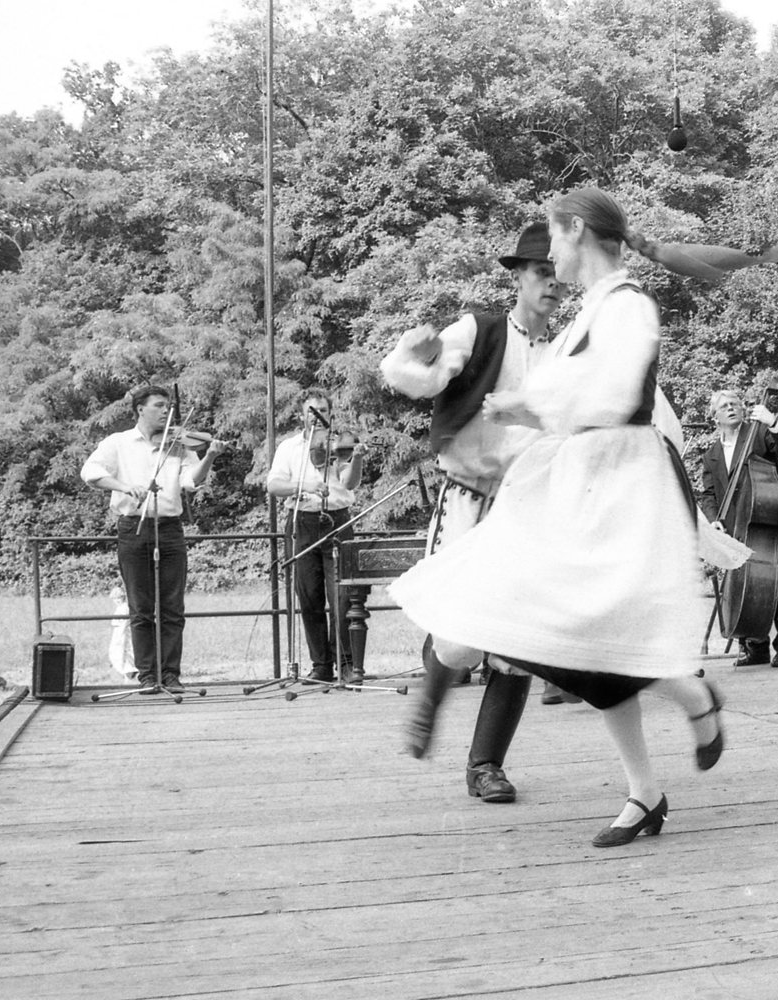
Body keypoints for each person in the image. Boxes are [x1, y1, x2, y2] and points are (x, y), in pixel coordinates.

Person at [391, 187, 737, 847]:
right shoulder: (590, 313)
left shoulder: (626, 305)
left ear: (576, 231)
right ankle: (649, 786)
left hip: (614, 484)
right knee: (572, 634)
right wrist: (521, 405)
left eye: (553, 237)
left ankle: (688, 702)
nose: (551, 256)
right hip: (576, 477)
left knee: (586, 632)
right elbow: (569, 393)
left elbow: (613, 394)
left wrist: (531, 406)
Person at [380, 221, 566, 802]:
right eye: (541, 272)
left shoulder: (567, 350)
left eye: (559, 275)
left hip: (527, 507)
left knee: (517, 645)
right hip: (466, 495)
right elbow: (415, 377)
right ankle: (430, 702)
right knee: (460, 637)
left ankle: (485, 765)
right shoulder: (479, 330)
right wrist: (419, 353)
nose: (552, 284)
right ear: (518, 277)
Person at [80, 385, 223, 693]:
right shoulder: (118, 443)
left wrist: (209, 456)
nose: (165, 411)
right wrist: (124, 486)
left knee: (172, 606)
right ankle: (147, 675)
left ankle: (170, 674)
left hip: (170, 528)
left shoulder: (177, 444)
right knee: (140, 606)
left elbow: (191, 480)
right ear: (140, 409)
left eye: (167, 406)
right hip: (133, 526)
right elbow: (90, 472)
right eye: (159, 405)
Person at [265, 388, 367, 684]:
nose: (317, 417)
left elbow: (349, 483)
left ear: (330, 413)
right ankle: (321, 665)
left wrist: (357, 459)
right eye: (312, 411)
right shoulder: (289, 447)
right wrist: (305, 486)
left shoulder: (340, 443)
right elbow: (273, 485)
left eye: (322, 410)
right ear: (302, 415)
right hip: (302, 522)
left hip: (338, 521)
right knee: (308, 596)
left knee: (343, 598)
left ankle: (346, 663)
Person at [697, 388, 778, 667]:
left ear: (743, 410)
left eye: (735, 404)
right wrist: (714, 520)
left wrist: (773, 422)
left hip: (768, 522)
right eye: (724, 406)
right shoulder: (711, 454)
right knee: (743, 587)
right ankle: (755, 646)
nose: (731, 408)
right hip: (735, 529)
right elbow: (709, 494)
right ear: (714, 417)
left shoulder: (759, 433)